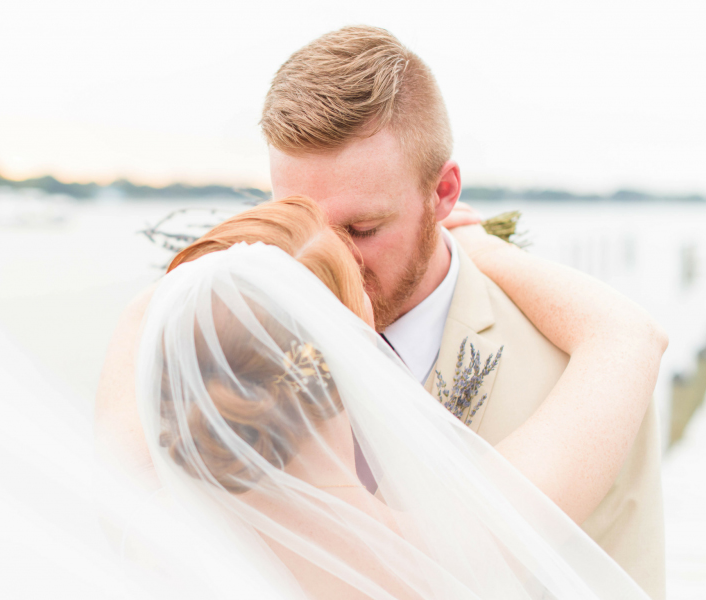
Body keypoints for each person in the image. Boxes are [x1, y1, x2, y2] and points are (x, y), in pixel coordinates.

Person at [98, 24, 665, 599]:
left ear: (443, 194)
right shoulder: (212, 351)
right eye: (297, 214)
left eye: (362, 228)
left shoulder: (567, 371)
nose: (329, 257)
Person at [111, 196, 665, 599]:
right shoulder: (449, 553)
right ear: (349, 348)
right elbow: (628, 336)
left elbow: (144, 315)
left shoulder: (147, 526)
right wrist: (473, 246)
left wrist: (248, 270)